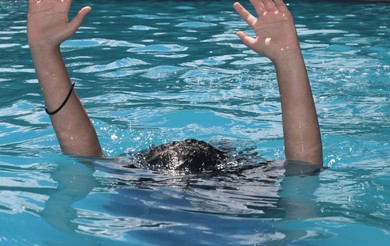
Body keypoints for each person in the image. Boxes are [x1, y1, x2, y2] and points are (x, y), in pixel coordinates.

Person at [27, 0, 323, 174]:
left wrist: (44, 52)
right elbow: (303, 171)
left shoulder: (140, 189)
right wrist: (287, 59)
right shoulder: (249, 191)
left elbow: (84, 158)